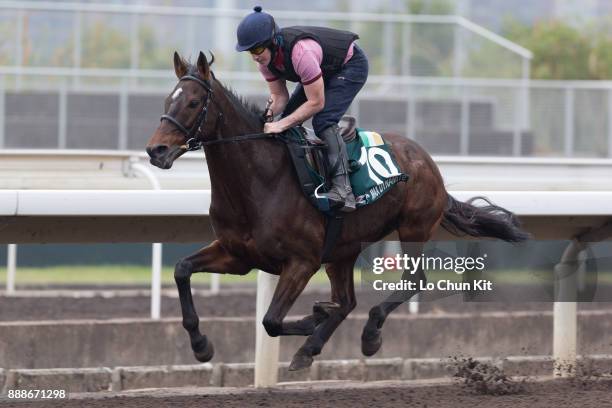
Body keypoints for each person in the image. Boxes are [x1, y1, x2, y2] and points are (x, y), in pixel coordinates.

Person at [235, 6, 369, 213]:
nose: (255, 56)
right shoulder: (264, 62)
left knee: (323, 120)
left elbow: (317, 103)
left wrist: (280, 124)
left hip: (350, 65)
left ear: (272, 42)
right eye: (250, 51)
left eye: (258, 50)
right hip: (322, 69)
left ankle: (344, 190)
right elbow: (280, 97)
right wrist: (268, 117)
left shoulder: (300, 53)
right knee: (288, 118)